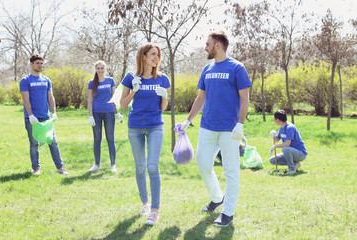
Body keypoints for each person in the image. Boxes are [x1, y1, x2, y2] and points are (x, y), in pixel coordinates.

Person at [179, 31, 252, 227]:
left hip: (230, 128)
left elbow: (245, 97)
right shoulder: (207, 69)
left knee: (231, 170)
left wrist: (240, 123)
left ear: (218, 45)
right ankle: (217, 197)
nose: (205, 47)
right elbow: (201, 97)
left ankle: (228, 212)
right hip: (207, 126)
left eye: (208, 44)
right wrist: (188, 121)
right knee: (203, 164)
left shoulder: (237, 67)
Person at [120, 43, 170, 225]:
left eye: (158, 55)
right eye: (152, 54)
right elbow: (123, 104)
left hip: (155, 125)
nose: (156, 58)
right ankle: (145, 204)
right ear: (143, 56)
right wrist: (133, 90)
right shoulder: (130, 78)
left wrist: (164, 96)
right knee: (140, 167)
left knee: (152, 166)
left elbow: (163, 107)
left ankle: (155, 210)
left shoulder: (162, 78)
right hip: (135, 127)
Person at [20, 54, 69, 175]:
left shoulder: (46, 80)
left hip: (46, 117)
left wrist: (54, 112)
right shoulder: (25, 80)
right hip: (32, 118)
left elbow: (50, 97)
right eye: (37, 63)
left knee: (53, 142)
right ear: (31, 64)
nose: (40, 65)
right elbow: (25, 99)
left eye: (42, 63)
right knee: (34, 143)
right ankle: (36, 169)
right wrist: (30, 115)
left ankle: (60, 168)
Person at [87, 60, 121, 173]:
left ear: (105, 69)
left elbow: (114, 97)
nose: (100, 70)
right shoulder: (91, 82)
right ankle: (96, 164)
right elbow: (90, 100)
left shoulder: (110, 81)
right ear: (96, 70)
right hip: (96, 113)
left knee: (110, 138)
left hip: (109, 113)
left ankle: (113, 165)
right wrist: (90, 115)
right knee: (97, 139)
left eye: (102, 68)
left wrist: (118, 112)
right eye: (98, 68)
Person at [269, 110, 307, 175]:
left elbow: (287, 143)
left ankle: (291, 169)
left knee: (285, 149)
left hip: (300, 154)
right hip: (290, 152)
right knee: (272, 160)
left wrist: (275, 146)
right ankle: (295, 164)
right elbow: (277, 139)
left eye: (274, 119)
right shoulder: (282, 127)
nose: (274, 121)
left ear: (278, 120)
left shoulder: (290, 127)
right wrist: (274, 135)